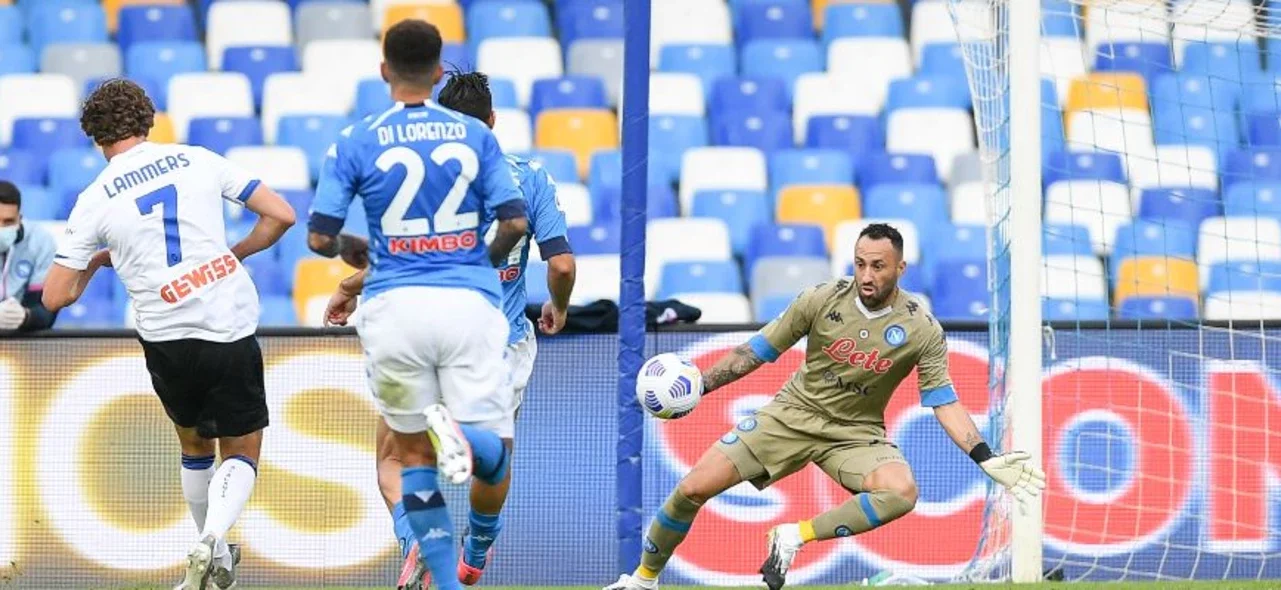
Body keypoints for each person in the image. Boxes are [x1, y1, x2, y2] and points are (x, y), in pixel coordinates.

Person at [605, 223, 1047, 590]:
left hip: (856, 433)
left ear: (900, 268)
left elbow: (942, 399)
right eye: (860, 264)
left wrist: (984, 456)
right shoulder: (820, 299)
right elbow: (755, 352)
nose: (867, 275)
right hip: (791, 415)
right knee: (691, 489)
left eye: (878, 266)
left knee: (901, 492)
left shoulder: (921, 328)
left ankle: (795, 536)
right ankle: (642, 581)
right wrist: (702, 383)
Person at [322, 71, 578, 589]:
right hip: (495, 340)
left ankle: (416, 537)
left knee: (394, 460)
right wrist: (558, 305)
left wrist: (349, 287)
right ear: (492, 122)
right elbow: (563, 266)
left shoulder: (419, 182)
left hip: (417, 330)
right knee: (494, 459)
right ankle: (476, 550)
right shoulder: (528, 178)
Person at [40, 78, 297, 590]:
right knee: (241, 450)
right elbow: (281, 214)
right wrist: (236, 254)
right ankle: (212, 540)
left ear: (95, 138)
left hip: (164, 335)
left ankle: (212, 549)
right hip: (226, 322)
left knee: (195, 446)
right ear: (148, 121)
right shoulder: (197, 159)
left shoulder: (94, 198)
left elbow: (54, 297)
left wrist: (94, 264)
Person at [0, 181, 59, 332]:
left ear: (19, 219)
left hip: (23, 338)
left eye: (8, 222)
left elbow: (47, 311)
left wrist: (25, 316)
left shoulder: (41, 242)